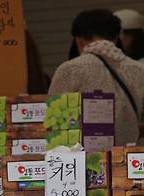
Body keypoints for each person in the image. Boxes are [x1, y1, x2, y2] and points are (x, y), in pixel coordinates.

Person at [49, 9, 144, 146]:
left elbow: (55, 123)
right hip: (130, 159)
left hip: (86, 161)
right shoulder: (139, 70)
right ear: (116, 38)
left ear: (79, 40)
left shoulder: (70, 70)